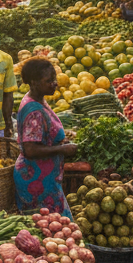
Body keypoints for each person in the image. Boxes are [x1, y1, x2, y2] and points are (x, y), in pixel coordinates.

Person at [12, 58, 78, 216]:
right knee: (55, 228)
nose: (55, 83)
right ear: (34, 82)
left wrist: (59, 140)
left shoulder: (38, 100)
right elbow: (30, 149)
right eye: (49, 80)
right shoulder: (33, 110)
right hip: (36, 182)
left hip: (44, 178)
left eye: (54, 79)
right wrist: (62, 149)